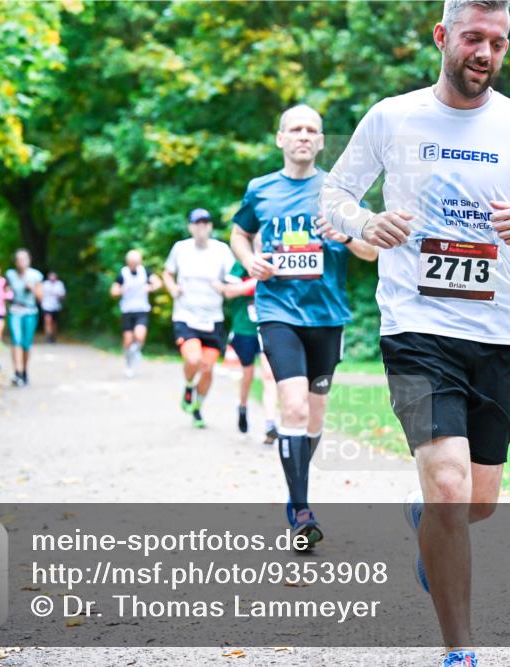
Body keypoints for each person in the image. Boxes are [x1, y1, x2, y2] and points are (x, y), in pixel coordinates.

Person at [321, 1, 510, 664]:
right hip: (416, 327)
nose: (485, 53)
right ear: (443, 37)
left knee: (478, 502)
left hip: (497, 332)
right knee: (447, 485)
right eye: (473, 38)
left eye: (497, 42)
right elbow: (334, 197)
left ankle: (431, 529)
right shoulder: (392, 116)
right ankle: (460, 650)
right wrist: (364, 224)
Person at [230, 104, 378, 549]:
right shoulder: (261, 190)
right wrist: (248, 259)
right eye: (295, 129)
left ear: (320, 141)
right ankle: (302, 512)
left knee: (313, 417)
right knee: (291, 408)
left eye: (311, 130)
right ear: (280, 138)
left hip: (327, 317)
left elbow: (373, 250)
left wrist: (347, 236)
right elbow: (239, 233)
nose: (303, 136)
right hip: (277, 311)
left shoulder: (340, 191)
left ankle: (296, 492)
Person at [162, 208, 237, 428]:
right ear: (190, 227)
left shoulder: (222, 251)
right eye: (197, 223)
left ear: (211, 226)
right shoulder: (181, 248)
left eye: (205, 222)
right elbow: (167, 272)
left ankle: (197, 407)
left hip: (213, 319)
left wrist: (223, 287)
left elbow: (234, 280)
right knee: (193, 360)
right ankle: (187, 385)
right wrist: (173, 288)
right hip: (185, 316)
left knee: (207, 368)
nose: (201, 226)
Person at [221, 260, 280, 440]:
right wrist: (257, 281)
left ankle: (270, 423)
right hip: (243, 328)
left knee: (269, 375)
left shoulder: (276, 258)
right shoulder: (240, 264)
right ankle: (243, 406)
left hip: (269, 325)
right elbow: (229, 292)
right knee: (247, 374)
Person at [110, 250, 162, 378]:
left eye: (136, 262)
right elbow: (113, 291)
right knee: (128, 340)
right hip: (127, 310)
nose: (134, 264)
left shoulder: (145, 272)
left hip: (141, 309)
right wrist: (121, 290)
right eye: (132, 262)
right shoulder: (123, 273)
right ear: (128, 262)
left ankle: (136, 351)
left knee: (140, 336)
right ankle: (128, 365)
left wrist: (150, 288)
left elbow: (158, 283)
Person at [5, 249, 44, 387]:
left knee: (26, 344)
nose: (21, 262)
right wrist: (7, 294)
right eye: (18, 259)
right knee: (16, 341)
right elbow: (6, 292)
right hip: (15, 310)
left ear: (29, 260)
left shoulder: (36, 275)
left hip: (30, 312)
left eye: (24, 259)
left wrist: (32, 288)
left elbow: (41, 298)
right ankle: (17, 372)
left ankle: (25, 370)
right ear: (15, 262)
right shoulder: (10, 275)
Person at [41, 272, 66, 343]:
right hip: (46, 306)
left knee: (54, 323)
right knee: (47, 321)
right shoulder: (45, 284)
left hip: (56, 307)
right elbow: (41, 294)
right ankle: (48, 336)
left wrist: (60, 296)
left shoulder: (59, 284)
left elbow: (63, 295)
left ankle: (53, 336)